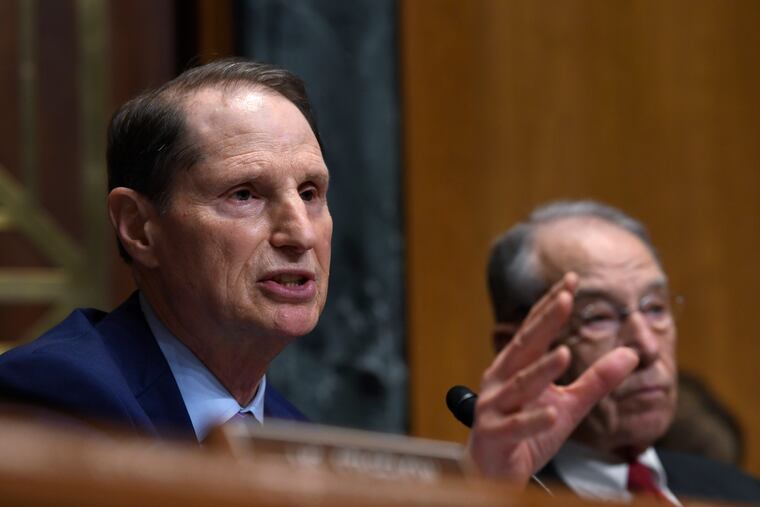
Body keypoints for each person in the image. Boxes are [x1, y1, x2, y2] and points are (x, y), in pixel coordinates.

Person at [0, 59, 637, 486]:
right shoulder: (58, 398)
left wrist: (485, 490)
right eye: (245, 194)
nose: (300, 233)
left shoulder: (298, 440)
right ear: (140, 228)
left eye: (311, 192)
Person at [484, 200, 760, 503]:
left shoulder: (741, 493)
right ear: (517, 349)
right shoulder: (497, 494)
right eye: (598, 317)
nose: (648, 347)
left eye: (655, 308)